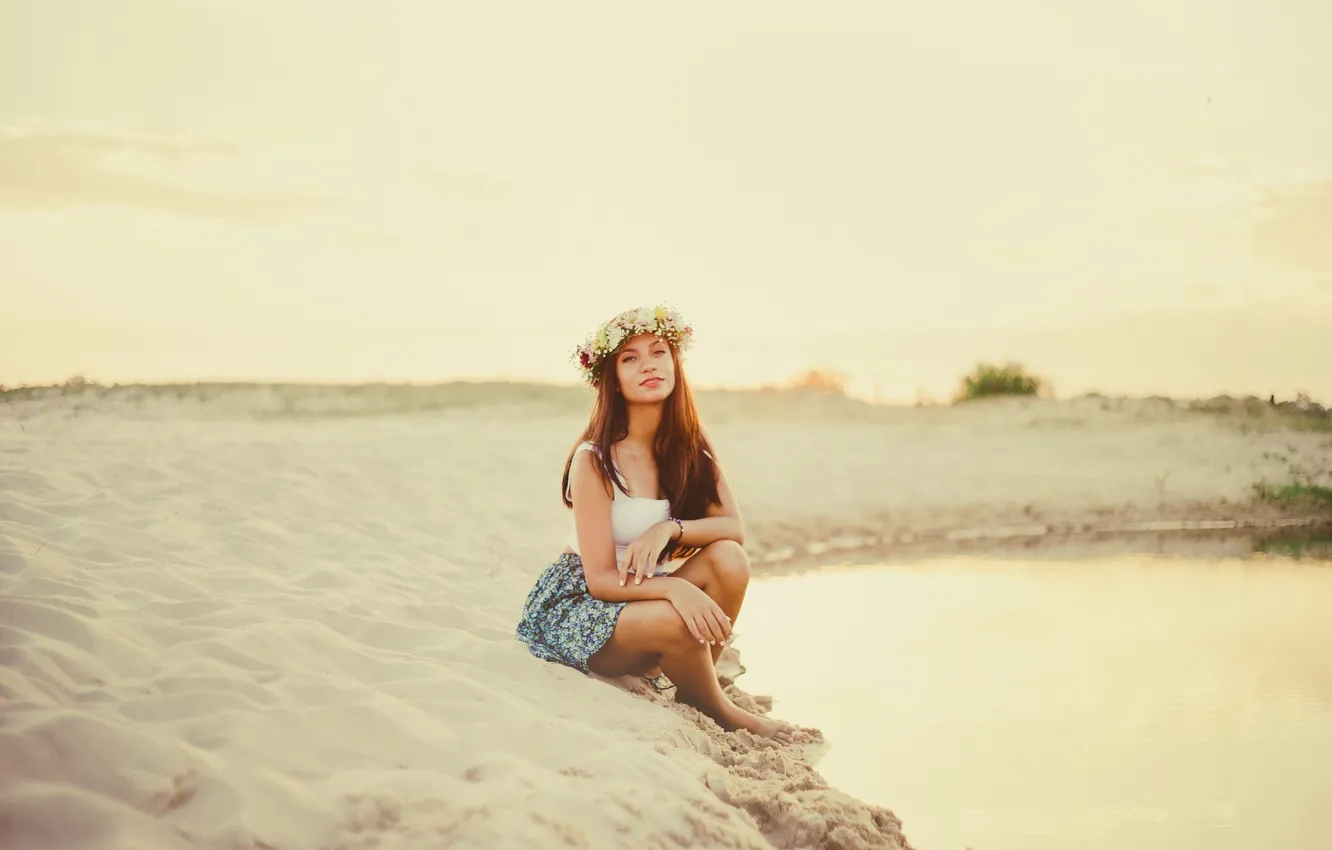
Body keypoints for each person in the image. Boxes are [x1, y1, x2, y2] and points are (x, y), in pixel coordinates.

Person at [516, 305, 798, 743]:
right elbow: (602, 582)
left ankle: (693, 689)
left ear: (675, 364)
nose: (648, 364)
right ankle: (719, 707)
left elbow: (732, 529)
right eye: (630, 358)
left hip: (646, 603)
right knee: (678, 617)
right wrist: (674, 586)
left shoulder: (691, 451)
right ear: (612, 379)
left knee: (730, 559)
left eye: (658, 352)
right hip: (583, 606)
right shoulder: (594, 460)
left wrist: (668, 529)